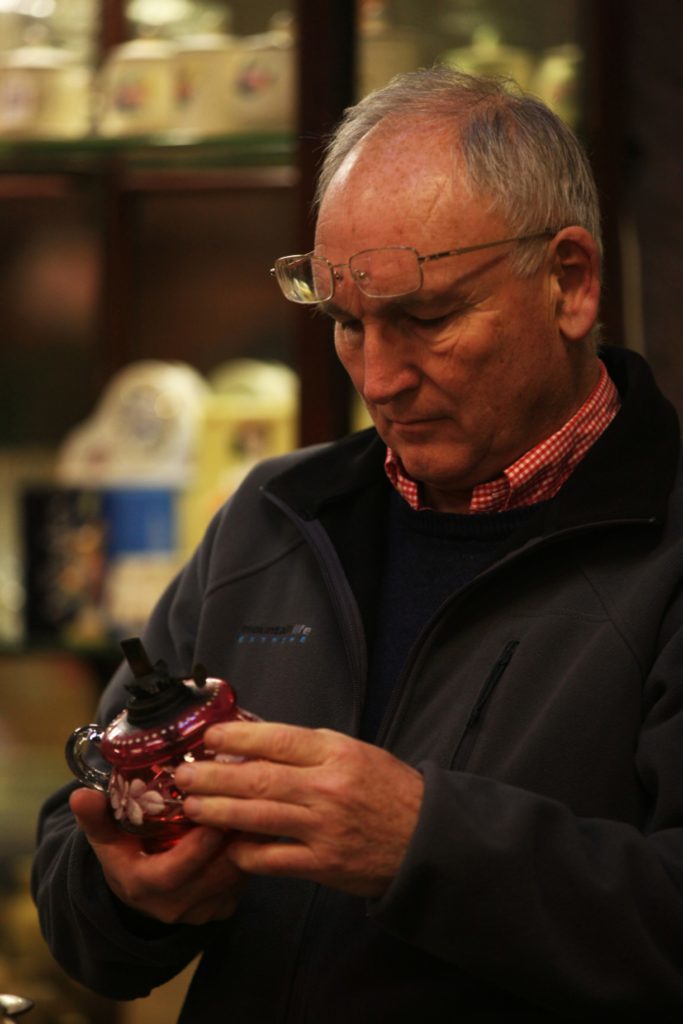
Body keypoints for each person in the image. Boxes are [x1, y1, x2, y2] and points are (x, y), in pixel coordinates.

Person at [32, 66, 683, 1021]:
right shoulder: (273, 515)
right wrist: (130, 895)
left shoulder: (661, 549)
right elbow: (75, 886)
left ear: (569, 281)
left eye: (425, 319)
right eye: (345, 322)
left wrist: (422, 842)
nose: (378, 379)